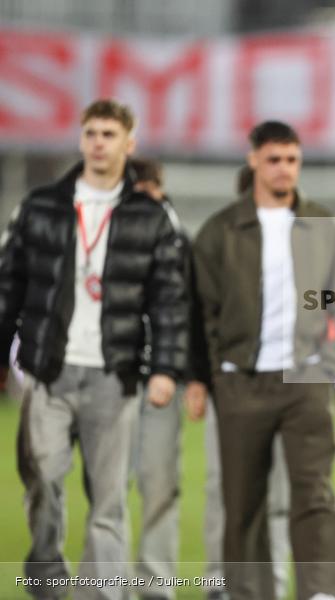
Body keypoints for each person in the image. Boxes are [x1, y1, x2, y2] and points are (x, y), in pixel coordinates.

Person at [0, 99, 189, 600]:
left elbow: (170, 300)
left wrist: (166, 368)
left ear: (130, 143)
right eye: (91, 133)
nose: (99, 142)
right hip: (49, 369)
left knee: (108, 500)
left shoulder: (153, 216)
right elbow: (8, 287)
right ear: (81, 140)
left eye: (109, 133)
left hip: (115, 372)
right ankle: (47, 579)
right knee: (40, 480)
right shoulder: (40, 206)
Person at [192, 121, 335, 600]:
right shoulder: (221, 230)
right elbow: (199, 309)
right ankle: (248, 592)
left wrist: (330, 360)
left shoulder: (323, 226)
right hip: (241, 383)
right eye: (273, 159)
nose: (283, 169)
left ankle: (319, 592)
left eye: (291, 159)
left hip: (305, 381)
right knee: (242, 502)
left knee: (315, 494)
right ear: (253, 161)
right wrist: (211, 376)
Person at [200, 164, 292, 600]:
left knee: (273, 495)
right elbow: (202, 318)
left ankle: (266, 585)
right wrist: (207, 377)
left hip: (283, 385)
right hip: (234, 385)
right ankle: (223, 582)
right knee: (228, 491)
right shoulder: (219, 247)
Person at [128, 157, 210, 600]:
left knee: (160, 484)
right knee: (106, 491)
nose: (142, 196)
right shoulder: (102, 235)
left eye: (148, 187)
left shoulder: (178, 241)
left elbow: (191, 315)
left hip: (162, 378)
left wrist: (193, 376)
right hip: (112, 376)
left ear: (160, 190)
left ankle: (154, 586)